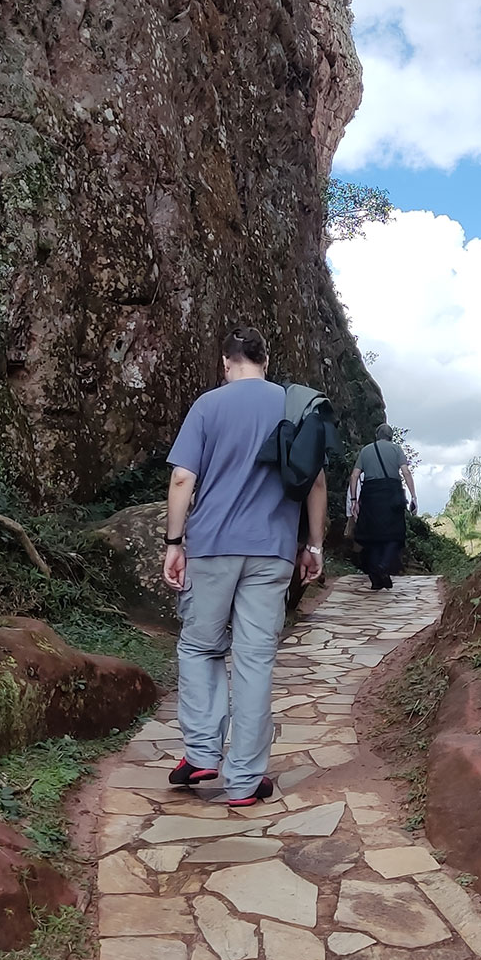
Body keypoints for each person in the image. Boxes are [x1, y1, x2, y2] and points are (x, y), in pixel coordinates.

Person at [162, 327, 327, 806]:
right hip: (273, 550)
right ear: (266, 360)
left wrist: (175, 542)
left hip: (212, 546)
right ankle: (245, 779)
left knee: (199, 648)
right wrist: (313, 546)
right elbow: (315, 483)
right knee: (255, 662)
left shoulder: (209, 406)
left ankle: (201, 753)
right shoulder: (292, 407)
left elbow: (181, 478)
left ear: (226, 362)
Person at [348, 422, 416, 591]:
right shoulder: (396, 450)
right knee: (395, 534)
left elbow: (354, 475)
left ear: (377, 436)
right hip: (392, 494)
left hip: (370, 494)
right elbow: (406, 471)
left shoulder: (366, 450)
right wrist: (413, 495)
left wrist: (354, 500)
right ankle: (383, 566)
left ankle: (376, 577)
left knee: (371, 535)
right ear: (391, 436)